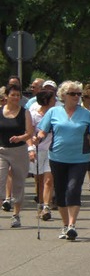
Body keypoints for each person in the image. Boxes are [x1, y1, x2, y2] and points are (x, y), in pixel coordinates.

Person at [36, 81, 90, 240]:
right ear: (63, 96)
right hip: (57, 157)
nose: (76, 97)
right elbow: (43, 130)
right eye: (73, 94)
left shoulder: (86, 114)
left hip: (80, 158)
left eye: (79, 94)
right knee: (61, 192)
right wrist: (39, 138)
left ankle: (72, 225)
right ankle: (65, 225)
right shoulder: (54, 112)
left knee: (73, 189)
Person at [0, 83, 34, 228]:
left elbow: (30, 133)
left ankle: (16, 214)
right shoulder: (0, 111)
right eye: (12, 95)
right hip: (2, 151)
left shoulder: (24, 112)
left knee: (18, 183)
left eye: (18, 95)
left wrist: (20, 138)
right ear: (6, 96)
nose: (15, 98)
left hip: (19, 151)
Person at [30, 89, 57, 221]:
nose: (56, 101)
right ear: (46, 100)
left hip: (52, 151)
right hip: (38, 150)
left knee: (49, 179)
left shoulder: (56, 114)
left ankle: (46, 206)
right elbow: (29, 133)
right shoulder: (34, 114)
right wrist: (31, 145)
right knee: (39, 180)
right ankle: (40, 204)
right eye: (53, 99)